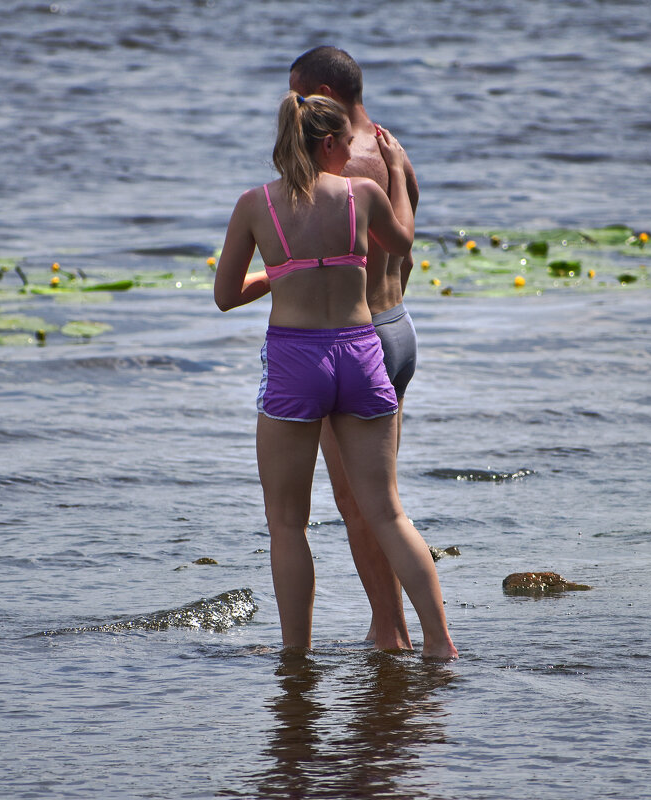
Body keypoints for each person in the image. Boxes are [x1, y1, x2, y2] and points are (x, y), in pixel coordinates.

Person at [213, 91, 458, 660]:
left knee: (287, 524)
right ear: (328, 144)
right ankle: (440, 644)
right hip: (359, 352)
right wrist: (396, 172)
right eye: (348, 142)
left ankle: (296, 655)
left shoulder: (256, 205)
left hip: (296, 362)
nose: (354, 152)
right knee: (388, 512)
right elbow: (402, 243)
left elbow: (226, 296)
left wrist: (283, 274)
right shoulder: (364, 194)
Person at [289, 46, 419, 651]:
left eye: (298, 95)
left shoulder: (331, 164)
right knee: (383, 497)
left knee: (359, 503)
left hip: (353, 340)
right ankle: (397, 627)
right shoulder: (395, 153)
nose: (293, 107)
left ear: (323, 93)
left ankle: (390, 630)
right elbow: (405, 251)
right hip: (398, 327)